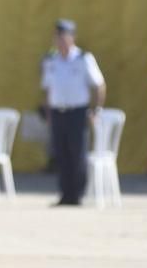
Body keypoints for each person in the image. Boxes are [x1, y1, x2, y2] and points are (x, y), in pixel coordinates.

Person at [41, 19, 106, 206]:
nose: (60, 41)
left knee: (77, 154)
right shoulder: (51, 60)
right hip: (57, 111)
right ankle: (64, 194)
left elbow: (99, 85)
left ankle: (77, 195)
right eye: (57, 37)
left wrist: (96, 109)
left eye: (63, 37)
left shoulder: (83, 58)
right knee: (61, 153)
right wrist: (48, 113)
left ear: (72, 38)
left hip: (78, 111)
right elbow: (47, 88)